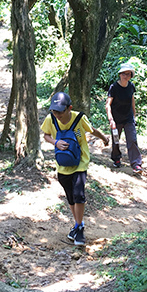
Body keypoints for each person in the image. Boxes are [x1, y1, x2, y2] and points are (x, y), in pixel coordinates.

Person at [40, 92, 109, 246]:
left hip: (80, 162)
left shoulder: (79, 118)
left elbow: (92, 130)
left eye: (60, 111)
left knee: (79, 194)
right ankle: (78, 225)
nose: (57, 114)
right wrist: (55, 142)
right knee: (71, 197)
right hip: (63, 164)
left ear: (69, 108)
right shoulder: (50, 119)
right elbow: (46, 135)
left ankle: (79, 228)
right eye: (54, 110)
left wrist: (104, 138)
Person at [106, 62, 142, 173]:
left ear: (131, 76)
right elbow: (108, 104)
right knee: (116, 141)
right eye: (123, 73)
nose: (125, 76)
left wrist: (134, 114)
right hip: (116, 119)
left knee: (132, 140)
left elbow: (132, 100)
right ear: (120, 74)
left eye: (128, 74)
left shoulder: (131, 86)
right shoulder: (114, 87)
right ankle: (116, 159)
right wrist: (111, 119)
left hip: (128, 118)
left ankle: (136, 164)